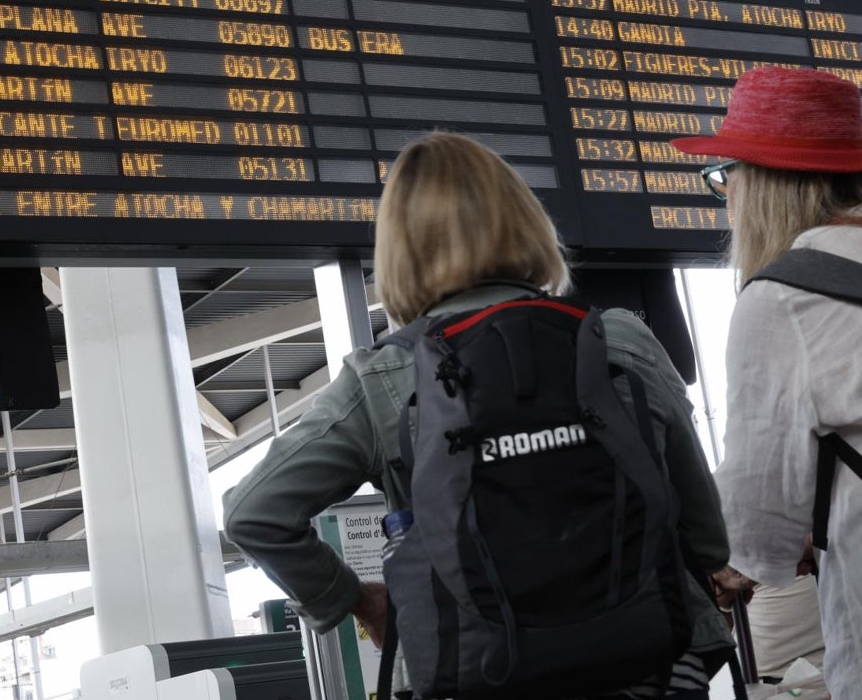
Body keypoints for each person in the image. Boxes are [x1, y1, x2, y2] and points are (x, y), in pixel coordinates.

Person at [223, 131, 733, 698]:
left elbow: (253, 513)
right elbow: (707, 539)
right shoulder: (620, 341)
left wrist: (354, 598)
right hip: (649, 663)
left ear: (398, 250)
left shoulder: (383, 381)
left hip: (473, 670)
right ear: (525, 220)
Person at [671, 65, 862, 700]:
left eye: (725, 174)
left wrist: (729, 568)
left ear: (758, 182)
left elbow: (761, 527)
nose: (724, 191)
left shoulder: (785, 296)